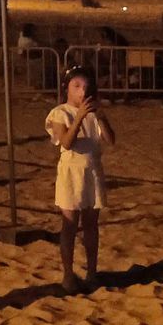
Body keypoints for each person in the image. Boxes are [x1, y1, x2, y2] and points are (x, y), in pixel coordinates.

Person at [46, 67, 116, 293]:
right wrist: (79, 117)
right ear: (67, 88)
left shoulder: (94, 113)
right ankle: (68, 274)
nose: (82, 91)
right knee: (69, 225)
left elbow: (110, 139)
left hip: (92, 169)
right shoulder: (60, 112)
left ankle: (92, 272)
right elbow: (66, 142)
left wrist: (101, 116)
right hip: (71, 172)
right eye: (77, 86)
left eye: (85, 87)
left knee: (91, 225)